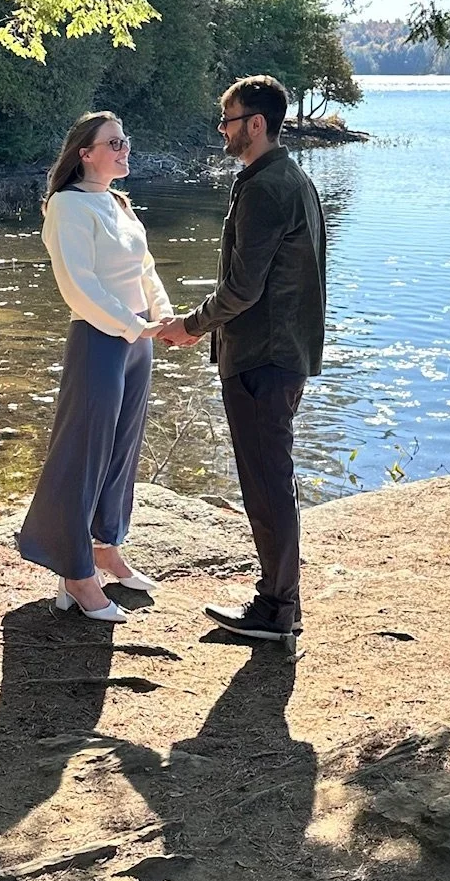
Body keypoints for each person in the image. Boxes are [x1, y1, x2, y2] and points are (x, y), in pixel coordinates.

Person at [160, 76, 326, 642]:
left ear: (256, 124)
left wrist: (189, 325)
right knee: (270, 477)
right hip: (279, 354)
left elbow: (242, 289)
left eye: (229, 120)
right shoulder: (286, 178)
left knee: (266, 481)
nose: (223, 130)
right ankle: (279, 603)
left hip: (263, 358)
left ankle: (278, 611)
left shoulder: (266, 187)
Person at [18, 111, 173, 622]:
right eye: (114, 142)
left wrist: (164, 316)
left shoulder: (119, 203)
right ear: (85, 153)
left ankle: (107, 546)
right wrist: (134, 324)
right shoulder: (67, 206)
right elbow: (79, 285)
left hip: (136, 341)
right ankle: (75, 573)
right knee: (83, 453)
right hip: (100, 341)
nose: (124, 148)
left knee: (122, 450)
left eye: (125, 140)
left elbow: (146, 270)